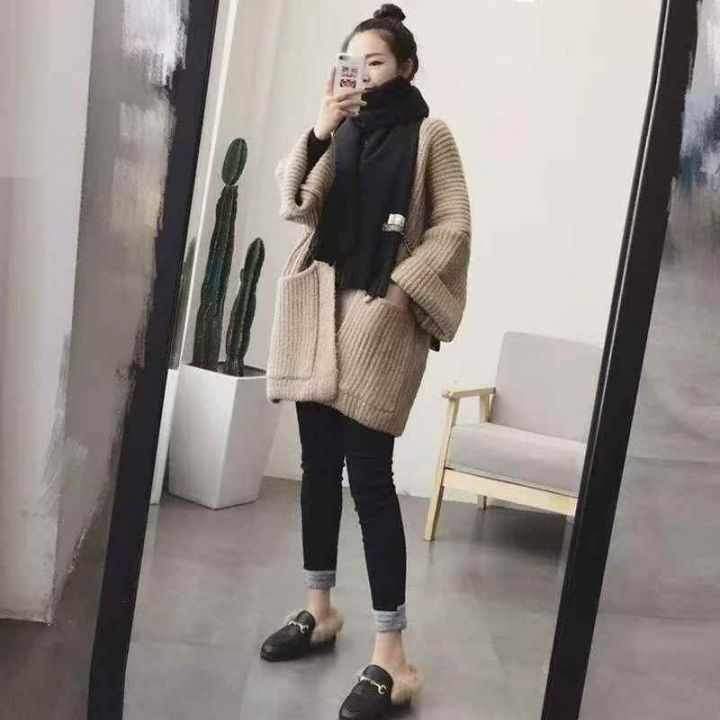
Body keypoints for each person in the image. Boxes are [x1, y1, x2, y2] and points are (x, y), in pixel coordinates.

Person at [261, 4, 472, 719]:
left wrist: (400, 291)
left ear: (405, 66)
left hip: (379, 320)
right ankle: (319, 610)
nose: (364, 75)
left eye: (376, 62)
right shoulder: (342, 129)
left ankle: (393, 658)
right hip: (320, 307)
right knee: (318, 467)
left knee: (371, 482)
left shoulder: (430, 135)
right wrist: (321, 128)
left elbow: (454, 226)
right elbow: (295, 202)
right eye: (353, 63)